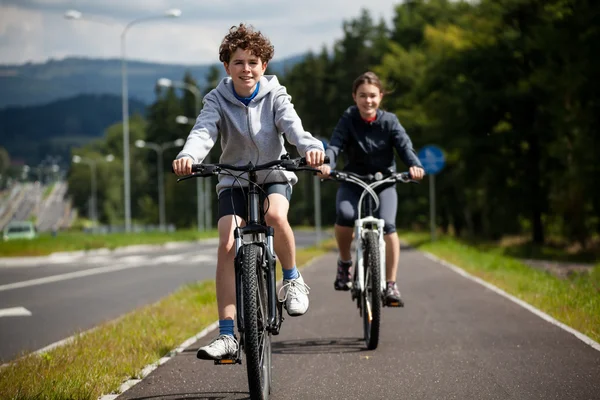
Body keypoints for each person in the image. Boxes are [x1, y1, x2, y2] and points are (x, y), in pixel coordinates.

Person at [172, 23, 326, 360]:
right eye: (239, 62)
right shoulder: (216, 99)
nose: (247, 69)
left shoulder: (276, 95)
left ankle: (292, 278)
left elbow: (293, 127)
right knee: (227, 241)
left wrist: (311, 148)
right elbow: (203, 132)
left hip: (273, 172)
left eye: (253, 62)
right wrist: (188, 156)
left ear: (263, 66)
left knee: (274, 215)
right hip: (234, 179)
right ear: (227, 67)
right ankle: (227, 335)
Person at [317, 71, 425, 306]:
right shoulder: (348, 118)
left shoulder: (390, 121)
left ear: (381, 96)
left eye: (373, 96)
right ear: (354, 97)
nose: (368, 101)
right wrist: (327, 164)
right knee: (345, 215)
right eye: (363, 96)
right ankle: (345, 263)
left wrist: (414, 165)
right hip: (353, 180)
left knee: (388, 225)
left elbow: (405, 147)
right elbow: (335, 146)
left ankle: (391, 284)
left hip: (383, 182)